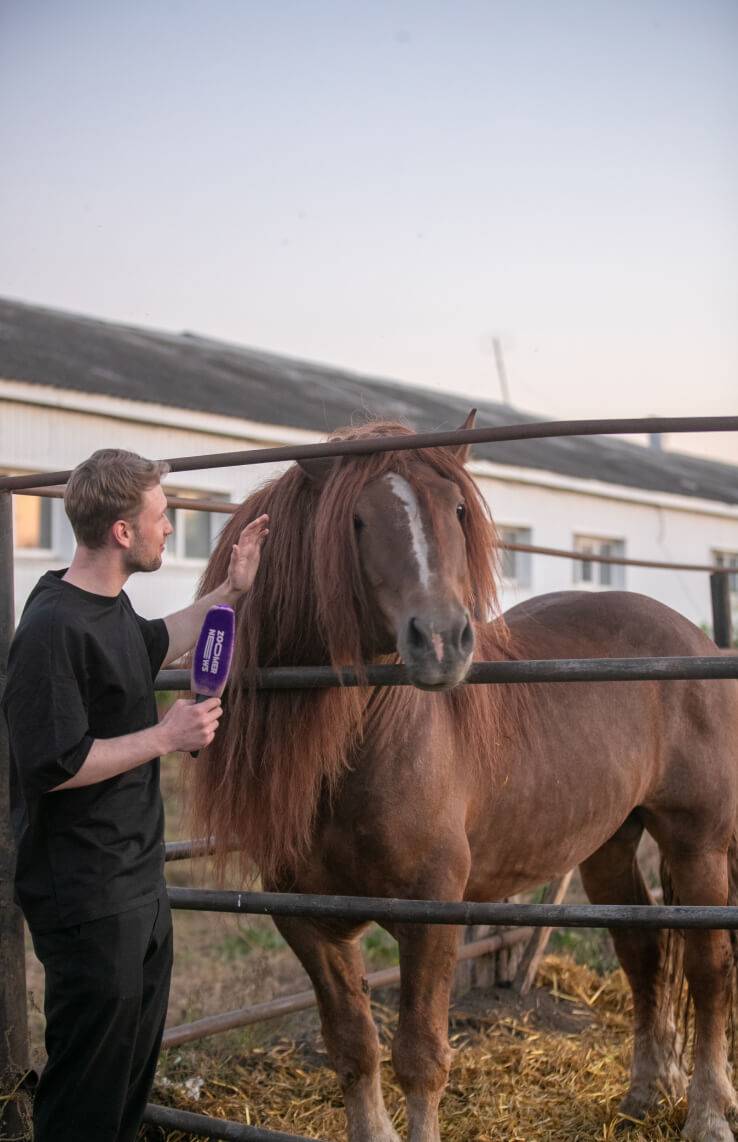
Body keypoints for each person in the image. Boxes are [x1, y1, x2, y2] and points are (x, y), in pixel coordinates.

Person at [1, 448, 269, 1142]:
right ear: (122, 532)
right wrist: (163, 734)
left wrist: (231, 590)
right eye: (161, 516)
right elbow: (54, 764)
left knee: (125, 1083)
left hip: (136, 884)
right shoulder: (51, 629)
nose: (170, 529)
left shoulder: (109, 608)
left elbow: (161, 641)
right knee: (86, 1094)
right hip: (86, 894)